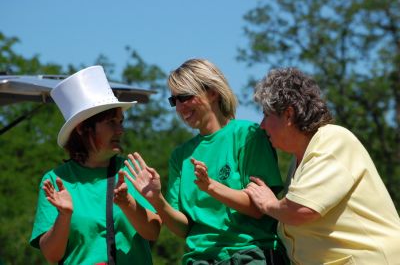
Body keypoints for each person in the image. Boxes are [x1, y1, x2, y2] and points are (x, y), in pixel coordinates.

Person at [123, 58, 288, 264]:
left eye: (185, 97)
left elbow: (259, 208)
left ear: (212, 92)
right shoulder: (180, 156)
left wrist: (211, 187)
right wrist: (157, 199)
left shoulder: (249, 135)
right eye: (174, 101)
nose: (180, 107)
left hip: (249, 253)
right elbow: (183, 228)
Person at [245, 67, 400, 264]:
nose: (262, 125)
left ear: (288, 114)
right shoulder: (299, 160)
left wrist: (269, 204)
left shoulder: (332, 140)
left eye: (267, 115)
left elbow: (302, 210)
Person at [29, 66, 161, 264]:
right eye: (111, 123)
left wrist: (128, 203)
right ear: (83, 128)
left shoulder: (132, 170)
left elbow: (153, 232)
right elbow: (51, 255)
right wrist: (64, 216)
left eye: (121, 122)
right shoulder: (55, 181)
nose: (120, 130)